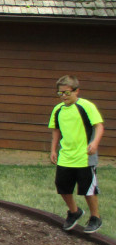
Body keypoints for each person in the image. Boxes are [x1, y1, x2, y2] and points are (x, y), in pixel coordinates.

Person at [49, 75, 104, 233]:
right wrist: (53, 150)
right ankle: (74, 212)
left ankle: (95, 217)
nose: (63, 97)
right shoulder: (58, 109)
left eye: (67, 93)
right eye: (60, 93)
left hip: (85, 157)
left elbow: (99, 126)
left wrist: (94, 143)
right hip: (66, 156)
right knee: (62, 187)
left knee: (88, 189)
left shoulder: (86, 106)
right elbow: (56, 130)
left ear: (76, 91)